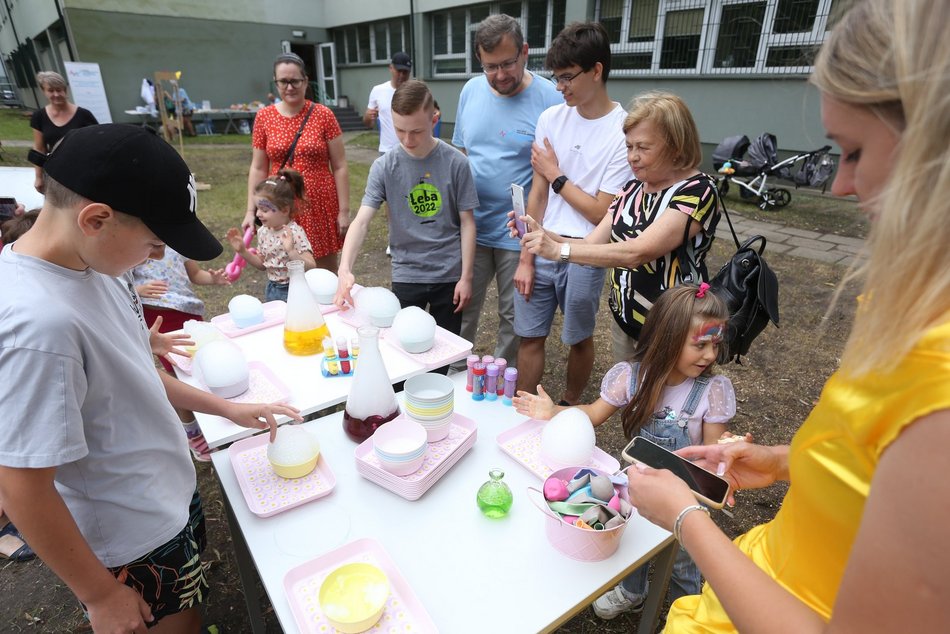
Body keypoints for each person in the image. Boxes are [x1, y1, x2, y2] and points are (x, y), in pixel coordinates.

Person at [626, 0, 950, 631]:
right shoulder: (915, 304)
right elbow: (872, 461)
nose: (839, 186)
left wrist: (686, 519)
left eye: (853, 152)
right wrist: (786, 460)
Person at [0, 124, 301, 633]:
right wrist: (98, 594)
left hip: (161, 499)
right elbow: (22, 487)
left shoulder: (98, 270)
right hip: (128, 541)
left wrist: (225, 409)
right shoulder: (37, 327)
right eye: (155, 243)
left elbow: (134, 371)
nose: (158, 257)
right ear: (96, 218)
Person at [514, 283, 735, 618]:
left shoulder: (712, 391)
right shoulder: (633, 379)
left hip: (688, 496)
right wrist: (554, 412)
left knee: (684, 562)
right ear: (668, 338)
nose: (709, 355)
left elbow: (712, 452)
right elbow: (593, 413)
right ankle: (633, 591)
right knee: (631, 542)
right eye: (700, 344)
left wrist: (730, 450)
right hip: (639, 486)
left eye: (714, 345)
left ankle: (686, 613)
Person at [518, 92, 720, 361]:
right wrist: (540, 234)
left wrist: (559, 251)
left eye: (643, 147)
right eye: (628, 147)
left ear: (676, 146)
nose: (632, 157)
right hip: (628, 321)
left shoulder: (698, 191)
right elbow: (592, 243)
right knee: (629, 398)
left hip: (674, 329)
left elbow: (637, 252)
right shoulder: (632, 189)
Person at [513, 22, 631, 404]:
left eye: (567, 77)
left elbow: (602, 213)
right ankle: (523, 407)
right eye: (556, 77)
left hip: (585, 252)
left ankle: (567, 407)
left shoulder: (623, 130)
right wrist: (525, 259)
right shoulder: (551, 118)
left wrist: (556, 174)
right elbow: (538, 194)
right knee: (529, 336)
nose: (559, 86)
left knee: (578, 339)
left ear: (597, 70)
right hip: (540, 242)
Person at [452, 13, 562, 366]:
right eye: (489, 67)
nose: (499, 75)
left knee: (514, 315)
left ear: (525, 52)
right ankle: (453, 370)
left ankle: (502, 380)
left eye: (507, 64)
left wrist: (531, 250)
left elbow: (549, 180)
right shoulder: (470, 90)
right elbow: (464, 156)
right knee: (462, 305)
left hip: (519, 234)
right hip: (472, 226)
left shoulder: (549, 99)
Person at [335, 79, 477, 341]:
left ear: (434, 119)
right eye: (400, 130)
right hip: (407, 274)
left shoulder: (457, 162)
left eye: (417, 131)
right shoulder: (384, 166)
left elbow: (468, 222)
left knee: (444, 349)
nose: (408, 139)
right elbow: (362, 221)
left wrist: (466, 277)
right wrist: (344, 269)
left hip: (449, 275)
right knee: (404, 347)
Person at [243, 52, 349, 273]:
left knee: (323, 272)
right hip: (279, 204)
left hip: (317, 203)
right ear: (276, 83)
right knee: (283, 268)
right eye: (283, 81)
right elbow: (258, 167)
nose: (289, 87)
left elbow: (340, 166)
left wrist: (344, 211)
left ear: (305, 81)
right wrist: (250, 211)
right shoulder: (264, 117)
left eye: (295, 81)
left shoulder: (324, 115)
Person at [132, 248, 230, 461]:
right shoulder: (135, 243)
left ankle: (216, 424)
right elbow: (117, 284)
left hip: (189, 314)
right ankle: (193, 435)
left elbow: (195, 275)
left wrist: (212, 278)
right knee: (180, 377)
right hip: (157, 317)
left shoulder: (177, 242)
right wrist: (137, 289)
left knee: (203, 367)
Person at [229, 168, 316, 302]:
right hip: (272, 289)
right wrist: (243, 251)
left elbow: (311, 266)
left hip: (295, 290)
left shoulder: (295, 233)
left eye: (264, 209)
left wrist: (291, 251)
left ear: (285, 210)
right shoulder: (264, 231)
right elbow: (262, 265)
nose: (258, 214)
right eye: (257, 209)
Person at [30, 71, 98, 193]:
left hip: (81, 170)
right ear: (43, 91)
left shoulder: (84, 115)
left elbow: (96, 144)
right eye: (51, 90)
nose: (56, 94)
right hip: (54, 172)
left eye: (59, 90)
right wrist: (38, 177)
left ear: (65, 90)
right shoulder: (39, 116)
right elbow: (39, 149)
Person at [363, 52, 412, 154]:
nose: (402, 75)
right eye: (399, 71)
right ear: (391, 68)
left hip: (411, 151)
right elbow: (368, 124)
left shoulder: (415, 92)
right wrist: (368, 117)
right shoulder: (378, 90)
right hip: (386, 151)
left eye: (405, 72)